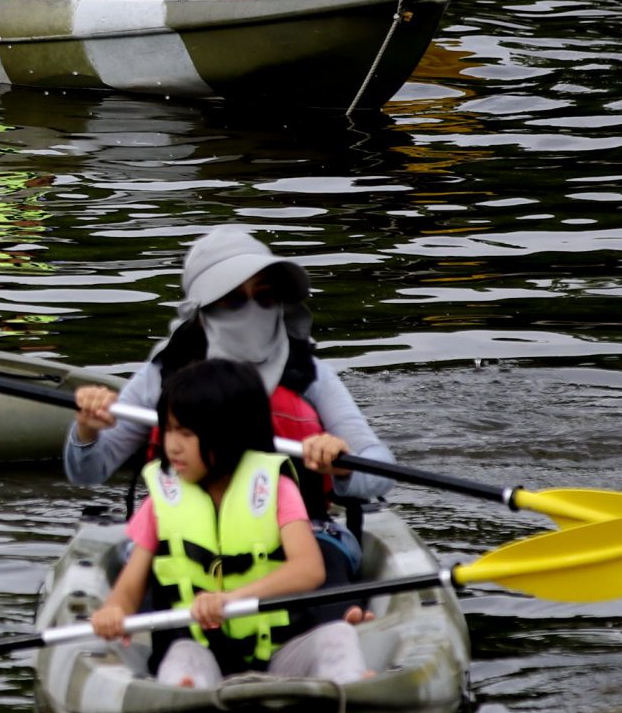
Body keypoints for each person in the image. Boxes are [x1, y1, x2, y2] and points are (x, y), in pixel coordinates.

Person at [66, 226, 394, 581]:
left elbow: (379, 470)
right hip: (181, 533)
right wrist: (86, 429)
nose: (253, 310)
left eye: (265, 298)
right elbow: (88, 471)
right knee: (148, 582)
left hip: (297, 534)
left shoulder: (309, 375)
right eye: (235, 300)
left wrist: (342, 463)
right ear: (203, 310)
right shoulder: (162, 375)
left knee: (326, 570)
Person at [87, 358, 371, 687]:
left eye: (187, 433)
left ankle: (352, 690)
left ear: (228, 435)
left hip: (281, 654)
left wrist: (232, 599)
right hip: (202, 651)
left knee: (336, 635)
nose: (172, 445)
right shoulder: (162, 499)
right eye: (168, 430)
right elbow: (129, 588)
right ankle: (186, 701)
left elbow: (309, 569)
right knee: (182, 656)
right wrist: (114, 611)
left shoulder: (274, 487)